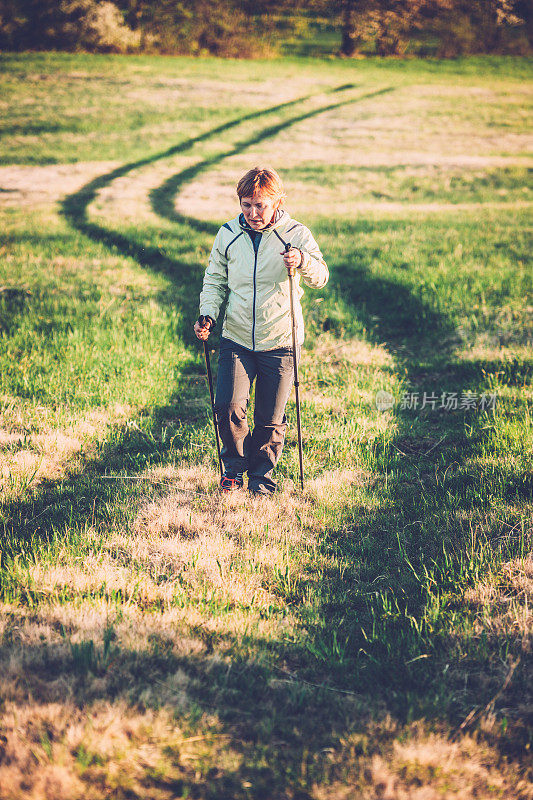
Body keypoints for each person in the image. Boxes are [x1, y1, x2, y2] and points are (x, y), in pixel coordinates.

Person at [194, 166, 328, 496]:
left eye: (261, 205)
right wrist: (208, 314)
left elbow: (320, 277)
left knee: (269, 418)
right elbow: (215, 280)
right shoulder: (228, 234)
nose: (253, 213)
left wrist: (302, 261)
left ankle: (261, 478)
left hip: (281, 340)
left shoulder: (295, 233)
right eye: (246, 204)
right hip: (237, 337)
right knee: (227, 407)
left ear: (277, 202)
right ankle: (234, 468)